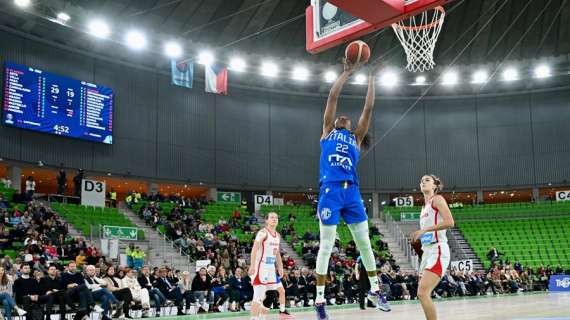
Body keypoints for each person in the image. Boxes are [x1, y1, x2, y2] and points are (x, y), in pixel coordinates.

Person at [314, 59, 389, 320]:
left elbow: (368, 107)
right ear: (333, 123)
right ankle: (320, 300)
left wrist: (371, 78)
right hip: (330, 192)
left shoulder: (356, 137)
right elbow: (333, 96)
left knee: (365, 244)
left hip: (352, 192)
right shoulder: (326, 132)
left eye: (345, 118)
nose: (342, 116)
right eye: (339, 117)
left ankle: (376, 290)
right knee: (326, 246)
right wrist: (346, 73)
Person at [411, 175, 455, 320]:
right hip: (427, 252)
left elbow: (450, 222)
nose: (423, 182)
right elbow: (428, 235)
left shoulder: (437, 199)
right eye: (421, 180)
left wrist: (425, 230)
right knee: (422, 293)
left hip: (438, 249)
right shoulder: (423, 208)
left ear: (435, 185)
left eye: (427, 180)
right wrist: (418, 241)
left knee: (423, 293)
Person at [247, 212, 293, 320]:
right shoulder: (262, 233)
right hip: (260, 267)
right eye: (272, 217)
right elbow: (254, 249)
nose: (274, 219)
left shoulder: (277, 235)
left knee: (272, 295)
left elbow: (276, 253)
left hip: (271, 268)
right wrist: (252, 265)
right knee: (258, 297)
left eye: (276, 217)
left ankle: (262, 318)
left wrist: (280, 267)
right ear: (266, 220)